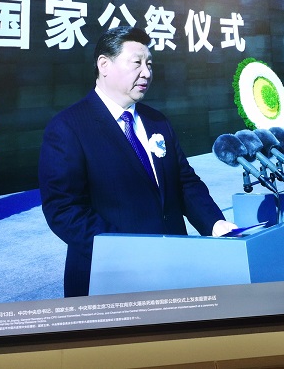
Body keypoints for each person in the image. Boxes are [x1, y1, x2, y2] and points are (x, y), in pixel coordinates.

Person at [39, 26, 237, 297]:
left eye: (149, 64)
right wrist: (126, 252)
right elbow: (64, 209)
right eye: (137, 64)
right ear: (104, 65)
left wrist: (214, 223)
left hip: (175, 267)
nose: (146, 72)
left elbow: (184, 181)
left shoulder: (157, 121)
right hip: (111, 278)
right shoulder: (68, 127)